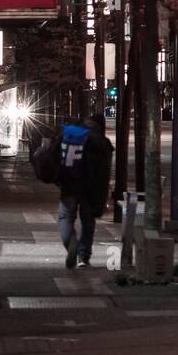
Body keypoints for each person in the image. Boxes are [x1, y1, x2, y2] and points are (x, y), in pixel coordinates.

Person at [55, 113, 114, 269]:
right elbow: (104, 174)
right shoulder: (102, 143)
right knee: (88, 222)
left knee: (65, 217)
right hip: (90, 189)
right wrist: (102, 199)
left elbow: (55, 156)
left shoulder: (70, 135)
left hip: (69, 185)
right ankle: (83, 256)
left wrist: (58, 179)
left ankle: (71, 243)